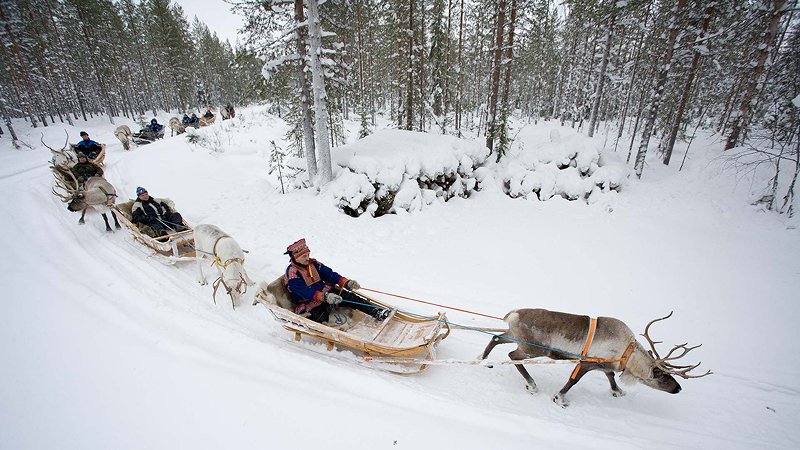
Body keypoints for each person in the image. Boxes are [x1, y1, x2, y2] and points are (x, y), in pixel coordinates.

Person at [284, 238, 390, 323]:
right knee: (320, 318)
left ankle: (377, 312)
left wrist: (345, 282)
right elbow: (304, 291)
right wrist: (324, 297)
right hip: (309, 301)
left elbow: (329, 274)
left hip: (326, 293)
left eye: (308, 255)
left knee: (352, 298)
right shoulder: (292, 273)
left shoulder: (313, 264)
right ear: (295, 258)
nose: (307, 258)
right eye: (304, 257)